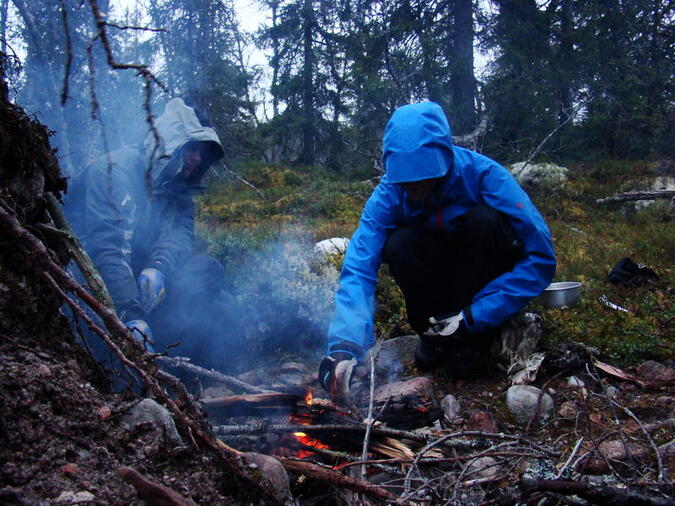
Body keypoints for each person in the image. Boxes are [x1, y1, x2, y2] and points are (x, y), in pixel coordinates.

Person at [319, 102, 556, 393]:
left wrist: (475, 316)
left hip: (480, 290)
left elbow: (540, 257)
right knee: (400, 243)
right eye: (403, 179)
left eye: (419, 177)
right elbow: (359, 265)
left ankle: (474, 338)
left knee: (486, 221)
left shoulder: (485, 177)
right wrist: (345, 345)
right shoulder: (389, 193)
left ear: (442, 160)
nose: (410, 185)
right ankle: (433, 334)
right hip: (433, 289)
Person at [68, 98, 232, 370]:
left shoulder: (178, 186)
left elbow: (179, 235)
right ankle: (125, 364)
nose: (197, 158)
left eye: (203, 153)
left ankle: (172, 366)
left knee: (208, 273)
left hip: (142, 283)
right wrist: (129, 312)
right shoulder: (114, 172)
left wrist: (158, 267)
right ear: (169, 142)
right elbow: (106, 248)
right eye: (192, 148)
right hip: (91, 285)